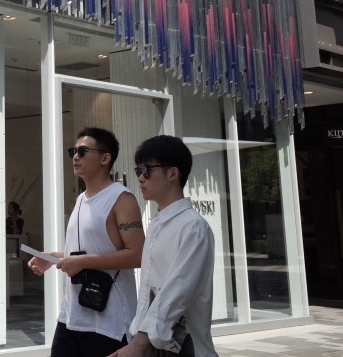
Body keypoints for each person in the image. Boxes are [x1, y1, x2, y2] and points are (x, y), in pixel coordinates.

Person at [27, 127, 144, 357]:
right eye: (73, 151)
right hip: (72, 315)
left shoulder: (121, 199)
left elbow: (138, 254)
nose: (75, 156)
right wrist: (52, 257)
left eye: (82, 151)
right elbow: (87, 251)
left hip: (108, 320)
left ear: (105, 157)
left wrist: (84, 262)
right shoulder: (81, 199)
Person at [109, 135, 218, 357]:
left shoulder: (194, 228)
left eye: (147, 170)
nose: (140, 178)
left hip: (185, 349)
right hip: (151, 345)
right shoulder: (157, 224)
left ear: (173, 173)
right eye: (138, 170)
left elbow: (176, 292)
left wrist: (137, 346)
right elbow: (149, 294)